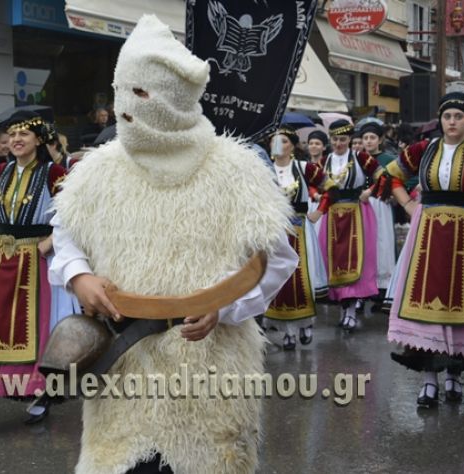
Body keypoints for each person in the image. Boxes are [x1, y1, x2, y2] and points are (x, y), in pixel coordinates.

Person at [50, 15, 297, 474]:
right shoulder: (96, 171)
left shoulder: (236, 171)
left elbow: (276, 260)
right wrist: (78, 276)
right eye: (125, 89)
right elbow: (66, 237)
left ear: (176, 97)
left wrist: (224, 307)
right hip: (123, 359)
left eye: (143, 92)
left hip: (209, 364)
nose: (129, 104)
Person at [0, 110, 77, 427]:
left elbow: (76, 212)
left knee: (37, 332)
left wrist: (50, 241)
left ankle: (42, 395)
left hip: (37, 265)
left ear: (38, 139)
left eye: (24, 134)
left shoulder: (55, 173)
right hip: (1, 261)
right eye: (12, 135)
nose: (17, 140)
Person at [379, 92, 464, 407]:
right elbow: (390, 174)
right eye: (447, 117)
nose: (452, 122)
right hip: (428, 231)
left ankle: (453, 377)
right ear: (441, 120)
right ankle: (429, 380)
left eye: (458, 117)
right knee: (427, 300)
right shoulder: (425, 149)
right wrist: (408, 205)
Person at [264, 127, 335, 350]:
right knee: (280, 281)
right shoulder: (264, 170)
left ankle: (305, 324)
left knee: (302, 280)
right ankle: (288, 332)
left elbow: (331, 189)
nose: (278, 146)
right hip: (276, 232)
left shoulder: (305, 168)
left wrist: (319, 211)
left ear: (292, 146)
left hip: (300, 231)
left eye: (283, 141)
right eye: (274, 141)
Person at [318, 119, 383, 331]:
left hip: (356, 212)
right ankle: (343, 308)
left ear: (350, 140)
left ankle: (352, 311)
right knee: (334, 259)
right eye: (335, 139)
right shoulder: (325, 161)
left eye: (343, 139)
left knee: (356, 259)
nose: (338, 143)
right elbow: (315, 183)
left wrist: (370, 191)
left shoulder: (360, 157)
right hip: (333, 215)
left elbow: (383, 176)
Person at [359, 122, 397, 308]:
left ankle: (383, 289)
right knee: (364, 244)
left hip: (380, 204)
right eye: (365, 138)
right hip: (361, 204)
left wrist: (389, 194)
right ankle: (365, 286)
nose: (368, 141)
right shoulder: (358, 158)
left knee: (382, 242)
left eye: (372, 138)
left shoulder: (387, 159)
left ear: (380, 140)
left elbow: (398, 178)